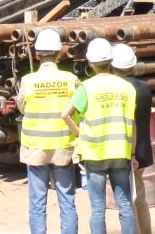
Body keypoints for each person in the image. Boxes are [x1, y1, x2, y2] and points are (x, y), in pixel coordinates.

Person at [61, 37, 137, 234]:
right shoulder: (127, 88)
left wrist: (80, 135)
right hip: (121, 152)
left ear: (90, 63)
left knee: (97, 209)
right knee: (125, 205)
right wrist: (133, 153)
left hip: (94, 154)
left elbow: (65, 114)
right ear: (111, 61)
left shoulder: (86, 88)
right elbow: (133, 124)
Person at [17, 28, 80, 234]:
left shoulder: (28, 81)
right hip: (63, 148)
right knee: (67, 201)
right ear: (59, 53)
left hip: (36, 150)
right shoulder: (71, 80)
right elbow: (78, 109)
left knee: (37, 204)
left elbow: (23, 108)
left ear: (36, 54)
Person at [112, 43, 153, 234]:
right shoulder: (144, 88)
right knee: (140, 197)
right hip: (143, 150)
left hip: (124, 149)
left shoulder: (117, 89)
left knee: (128, 199)